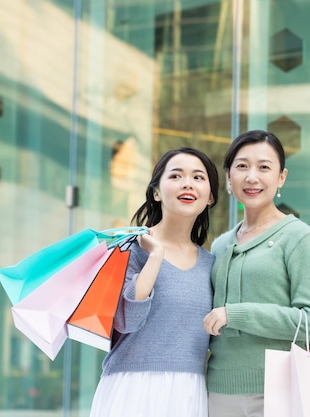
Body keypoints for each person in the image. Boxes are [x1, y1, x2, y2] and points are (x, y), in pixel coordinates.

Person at [202, 130, 310, 417]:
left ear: (281, 177)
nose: (252, 177)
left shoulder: (297, 237)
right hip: (218, 390)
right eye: (242, 166)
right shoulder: (221, 244)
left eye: (264, 167)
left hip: (278, 391)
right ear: (228, 178)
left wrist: (236, 314)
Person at [89, 147, 219, 417]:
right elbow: (126, 321)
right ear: (156, 192)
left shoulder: (212, 263)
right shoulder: (130, 249)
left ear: (210, 196)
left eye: (198, 177)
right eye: (175, 176)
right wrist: (155, 256)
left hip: (189, 391)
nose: (187, 183)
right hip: (132, 388)